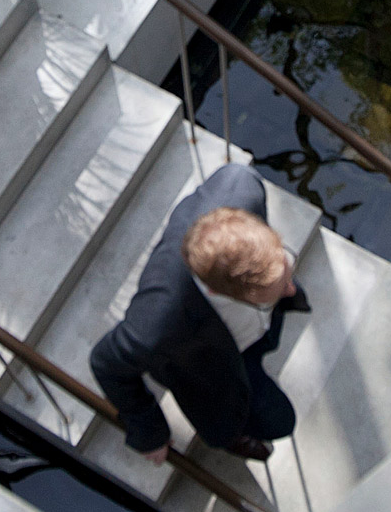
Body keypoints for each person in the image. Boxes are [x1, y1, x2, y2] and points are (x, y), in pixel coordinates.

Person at [90, 163, 308, 464]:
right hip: (207, 364)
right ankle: (231, 436)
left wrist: (271, 291)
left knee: (266, 350)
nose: (292, 290)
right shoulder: (159, 323)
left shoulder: (242, 185)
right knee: (277, 421)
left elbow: (236, 175)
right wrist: (149, 431)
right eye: (275, 290)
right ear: (217, 292)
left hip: (246, 335)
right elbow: (105, 363)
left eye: (285, 265)